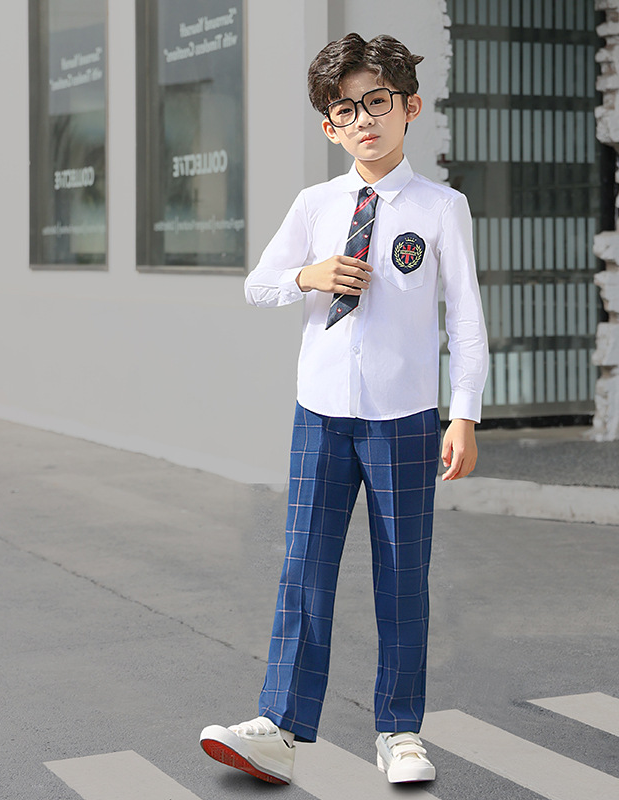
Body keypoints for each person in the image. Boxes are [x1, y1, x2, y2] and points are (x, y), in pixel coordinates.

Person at [200, 32, 488, 786]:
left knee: (403, 575)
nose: (363, 119)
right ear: (329, 127)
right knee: (305, 569)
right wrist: (311, 273)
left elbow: (465, 321)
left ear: (408, 108)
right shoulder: (315, 205)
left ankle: (400, 731)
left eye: (377, 102)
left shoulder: (440, 209)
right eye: (344, 110)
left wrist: (462, 414)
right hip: (320, 416)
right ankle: (280, 726)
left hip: (404, 421)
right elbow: (257, 286)